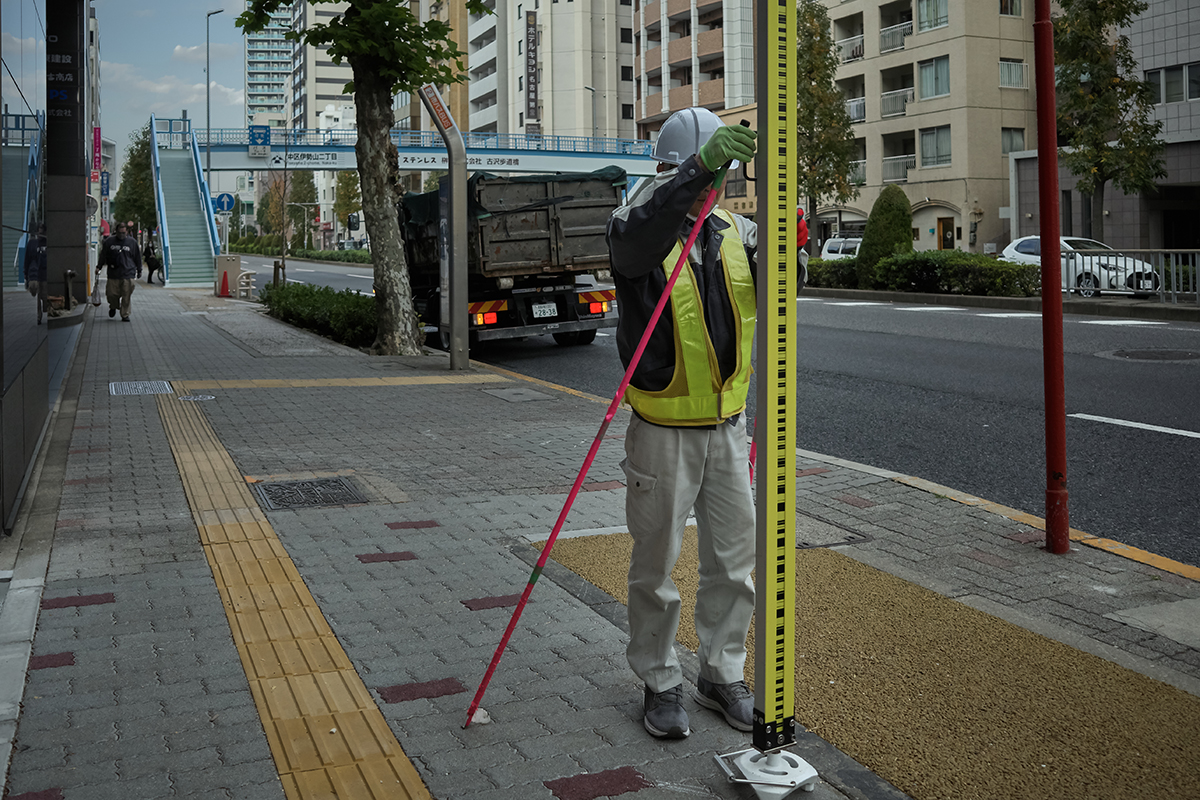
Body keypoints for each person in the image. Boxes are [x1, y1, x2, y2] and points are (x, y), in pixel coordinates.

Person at [607, 107, 805, 740]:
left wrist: (792, 249)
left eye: (719, 177)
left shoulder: (736, 231)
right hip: (662, 430)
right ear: (674, 171)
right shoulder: (636, 222)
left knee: (734, 560)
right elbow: (639, 243)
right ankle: (659, 680)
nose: (711, 189)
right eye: (700, 175)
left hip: (727, 428)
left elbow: (781, 291)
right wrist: (698, 169)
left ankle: (721, 674)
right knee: (656, 563)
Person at [97, 221, 142, 321]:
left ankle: (125, 314)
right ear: (116, 231)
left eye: (124, 233)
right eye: (120, 233)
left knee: (126, 295)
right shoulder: (109, 241)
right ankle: (113, 306)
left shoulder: (132, 242)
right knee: (111, 294)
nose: (122, 235)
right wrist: (99, 267)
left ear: (127, 232)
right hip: (114, 273)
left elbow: (137, 257)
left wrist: (139, 270)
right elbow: (103, 255)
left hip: (128, 273)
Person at [23, 224, 48, 325]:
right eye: (38, 231)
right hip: (36, 274)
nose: (39, 234)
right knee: (37, 296)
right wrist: (26, 273)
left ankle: (44, 311)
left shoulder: (47, 243)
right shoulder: (32, 244)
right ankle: (39, 316)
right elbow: (27, 259)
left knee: (44, 295)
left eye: (41, 231)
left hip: (44, 274)